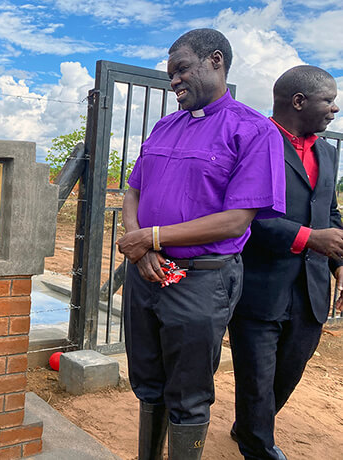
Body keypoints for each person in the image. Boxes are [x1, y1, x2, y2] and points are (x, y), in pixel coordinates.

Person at [116, 28, 286, 459]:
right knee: (147, 380)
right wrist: (142, 247)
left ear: (215, 61)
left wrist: (153, 237)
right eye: (171, 74)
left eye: (182, 70)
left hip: (200, 282)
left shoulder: (253, 130)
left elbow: (236, 220)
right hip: (146, 274)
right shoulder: (164, 125)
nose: (173, 81)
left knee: (188, 391)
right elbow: (134, 189)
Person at [228, 65, 342, 460]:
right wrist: (309, 238)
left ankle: (248, 425)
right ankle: (258, 447)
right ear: (299, 101)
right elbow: (241, 214)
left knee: (289, 371)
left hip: (311, 289)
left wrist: (338, 259)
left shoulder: (327, 153)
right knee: (256, 378)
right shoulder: (254, 142)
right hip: (261, 285)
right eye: (329, 100)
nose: (334, 109)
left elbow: (330, 211)